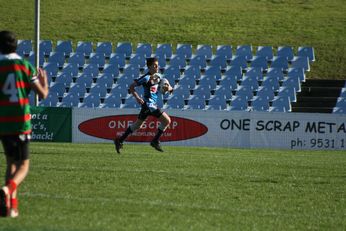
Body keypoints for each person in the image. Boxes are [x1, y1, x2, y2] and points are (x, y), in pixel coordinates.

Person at [0, 30, 49, 218]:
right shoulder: (24, 66)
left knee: (10, 164)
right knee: (23, 166)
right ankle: (6, 190)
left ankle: (11, 209)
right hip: (20, 121)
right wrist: (44, 82)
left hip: (3, 122)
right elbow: (42, 95)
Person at [114, 57, 173, 153]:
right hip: (150, 105)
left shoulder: (158, 76)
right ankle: (155, 141)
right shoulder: (146, 77)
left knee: (137, 125)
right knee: (167, 121)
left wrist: (169, 89)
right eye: (155, 65)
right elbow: (131, 87)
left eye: (157, 65)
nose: (157, 67)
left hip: (148, 106)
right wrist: (137, 97)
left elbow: (165, 85)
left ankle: (120, 140)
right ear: (149, 67)